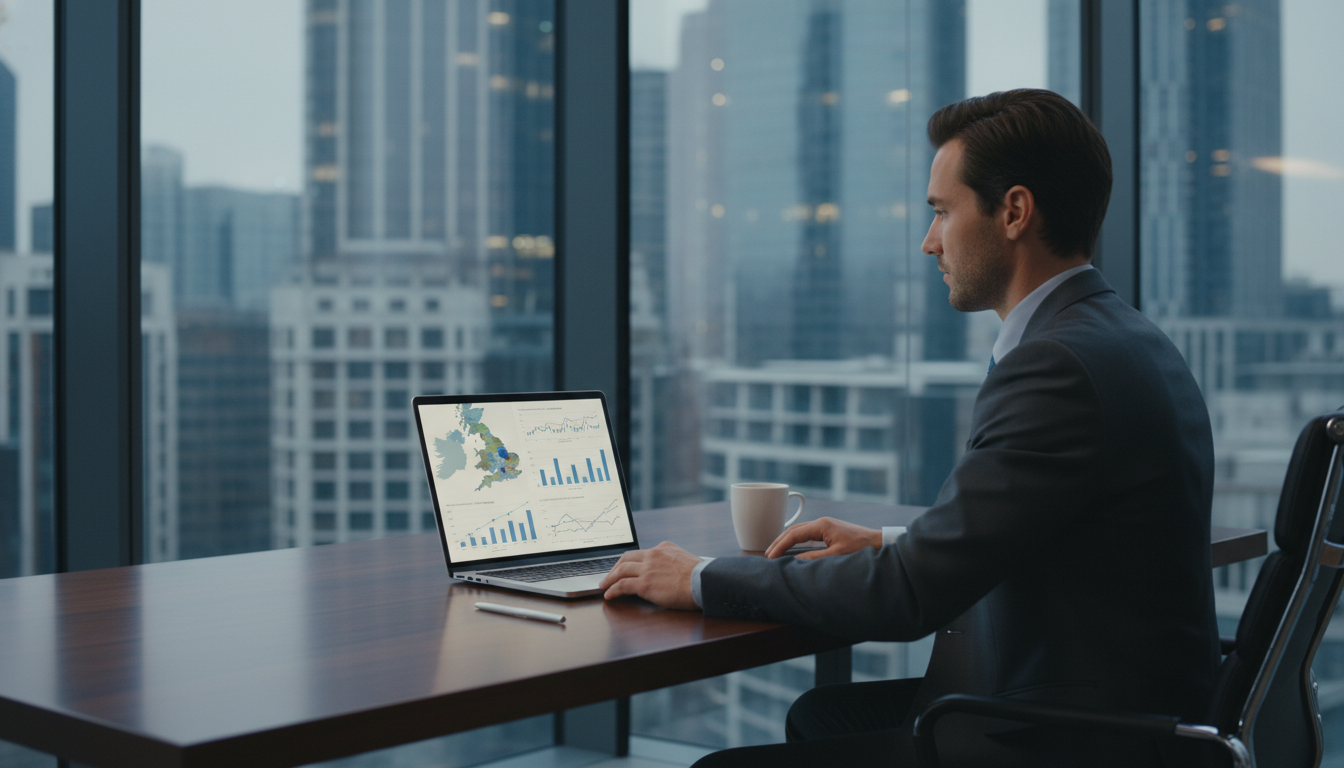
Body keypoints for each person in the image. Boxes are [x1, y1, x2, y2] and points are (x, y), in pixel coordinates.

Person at [599, 89, 1218, 766]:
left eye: (942, 212)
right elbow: (1064, 531)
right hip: (1126, 707)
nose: (930, 243)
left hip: (1068, 736)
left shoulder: (1056, 364)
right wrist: (896, 539)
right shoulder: (1124, 336)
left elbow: (908, 596)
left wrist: (699, 577)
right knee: (821, 714)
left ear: (1013, 211)